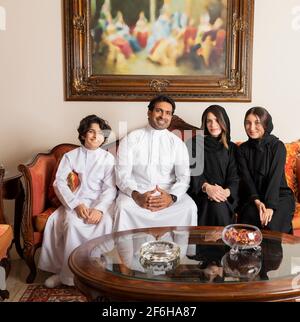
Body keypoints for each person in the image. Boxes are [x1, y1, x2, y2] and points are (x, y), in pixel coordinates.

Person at [38, 115, 117, 287]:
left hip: (100, 202)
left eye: (100, 133)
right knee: (72, 224)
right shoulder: (70, 156)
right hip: (75, 201)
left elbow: (110, 188)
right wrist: (76, 204)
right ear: (82, 135)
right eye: (91, 131)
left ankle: (98, 273)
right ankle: (67, 275)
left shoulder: (108, 158)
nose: (95, 136)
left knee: (106, 222)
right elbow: (59, 183)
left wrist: (100, 209)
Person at [114, 95, 197, 232]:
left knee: (189, 207)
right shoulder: (131, 139)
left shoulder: (177, 143)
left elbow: (183, 178)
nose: (163, 116)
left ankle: (180, 253)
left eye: (168, 113)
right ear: (149, 112)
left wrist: (171, 197)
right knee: (123, 207)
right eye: (159, 111)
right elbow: (122, 176)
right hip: (137, 191)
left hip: (168, 191)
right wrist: (137, 196)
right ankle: (127, 253)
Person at [237, 107, 295, 233]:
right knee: (252, 221)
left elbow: (275, 178)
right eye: (248, 123)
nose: (251, 128)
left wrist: (270, 207)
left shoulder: (278, 147)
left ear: (266, 123)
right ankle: (248, 253)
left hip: (279, 196)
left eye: (257, 122)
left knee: (271, 224)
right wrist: (257, 202)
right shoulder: (242, 150)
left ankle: (272, 253)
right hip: (253, 197)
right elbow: (247, 180)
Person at [187, 105, 239, 226]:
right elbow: (193, 172)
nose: (213, 125)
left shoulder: (232, 148)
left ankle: (224, 243)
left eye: (217, 120)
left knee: (219, 205)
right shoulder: (194, 144)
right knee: (214, 206)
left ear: (224, 122)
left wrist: (226, 192)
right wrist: (207, 188)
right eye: (209, 121)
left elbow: (235, 177)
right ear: (204, 124)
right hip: (201, 194)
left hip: (225, 196)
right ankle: (209, 244)